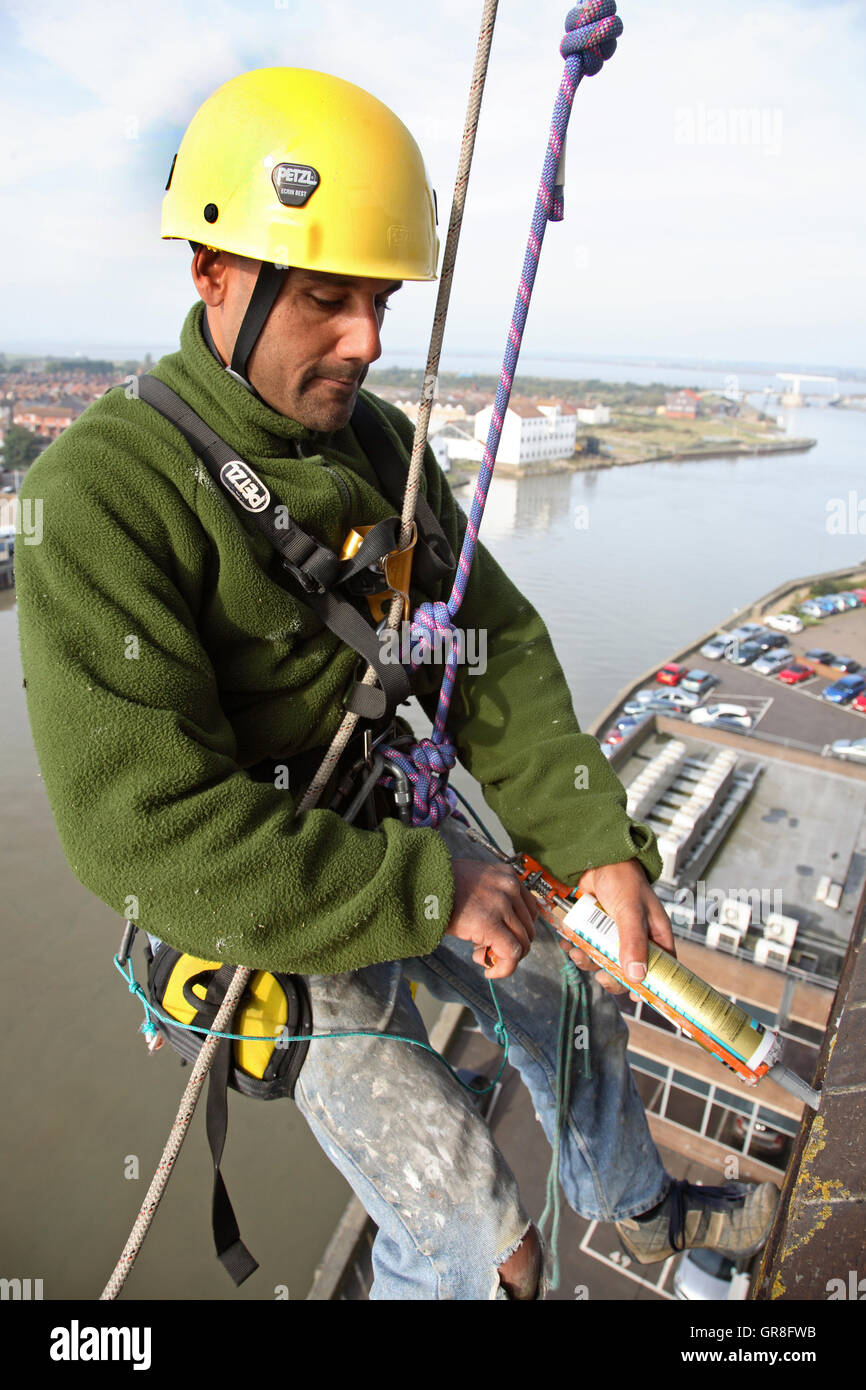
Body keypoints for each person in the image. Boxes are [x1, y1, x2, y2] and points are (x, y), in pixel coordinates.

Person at [16, 66, 777, 1300]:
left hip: (390, 821)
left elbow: (493, 645)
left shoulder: (373, 447)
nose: (366, 339)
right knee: (478, 1237)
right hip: (262, 896)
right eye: (326, 298)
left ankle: (640, 1214)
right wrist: (430, 888)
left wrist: (590, 842)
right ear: (212, 272)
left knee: (573, 998)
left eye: (378, 298)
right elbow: (143, 830)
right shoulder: (101, 498)